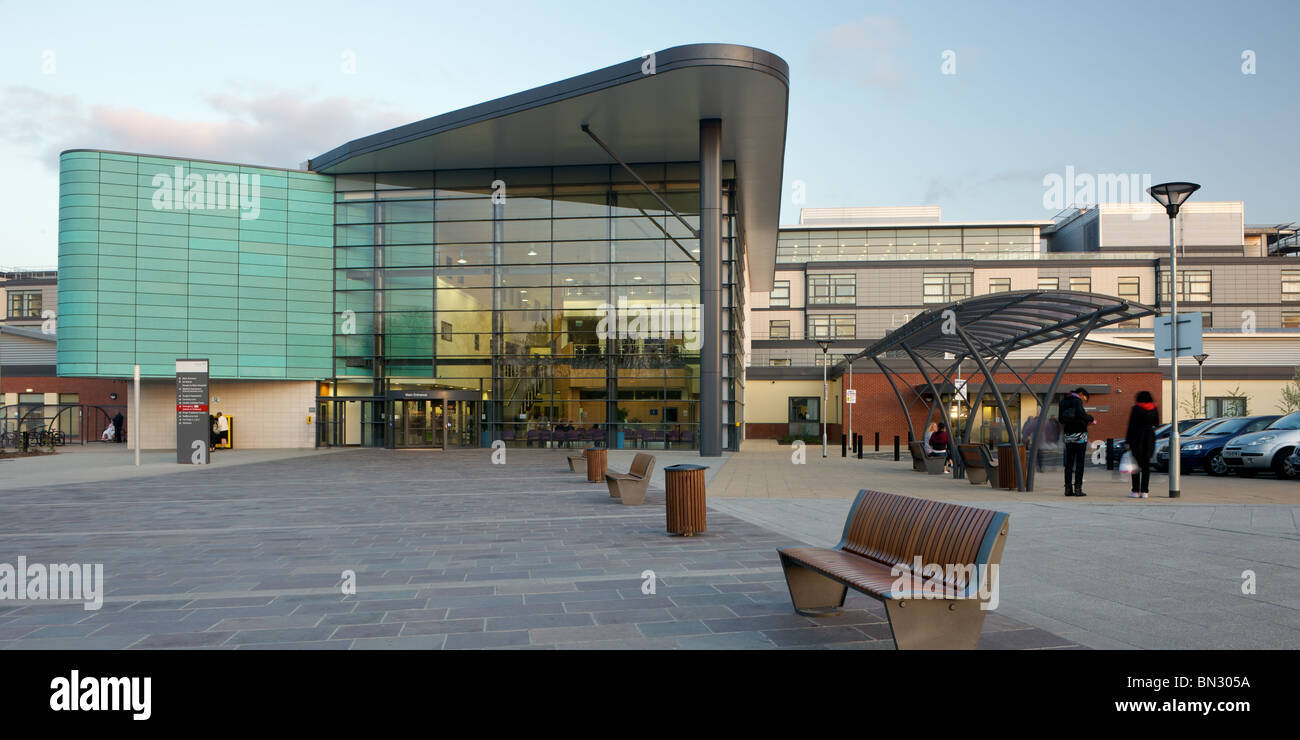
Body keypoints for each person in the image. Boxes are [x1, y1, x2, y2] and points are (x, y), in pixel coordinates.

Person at [1058, 388, 1095, 496]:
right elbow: (1082, 415)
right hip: (1080, 435)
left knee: (1069, 463)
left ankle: (1068, 489)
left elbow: (1061, 419)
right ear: (1081, 394)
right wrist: (1091, 418)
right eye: (1084, 397)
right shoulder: (1077, 401)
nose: (1083, 400)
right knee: (1080, 463)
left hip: (1068, 435)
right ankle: (1078, 489)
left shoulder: (1063, 401)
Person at [1125, 391, 1159, 499]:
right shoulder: (1154, 408)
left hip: (1137, 438)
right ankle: (1145, 492)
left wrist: (1128, 441)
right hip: (1149, 438)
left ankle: (1135, 491)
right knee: (1146, 466)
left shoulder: (1136, 409)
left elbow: (1131, 426)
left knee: (1135, 465)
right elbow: (1157, 423)